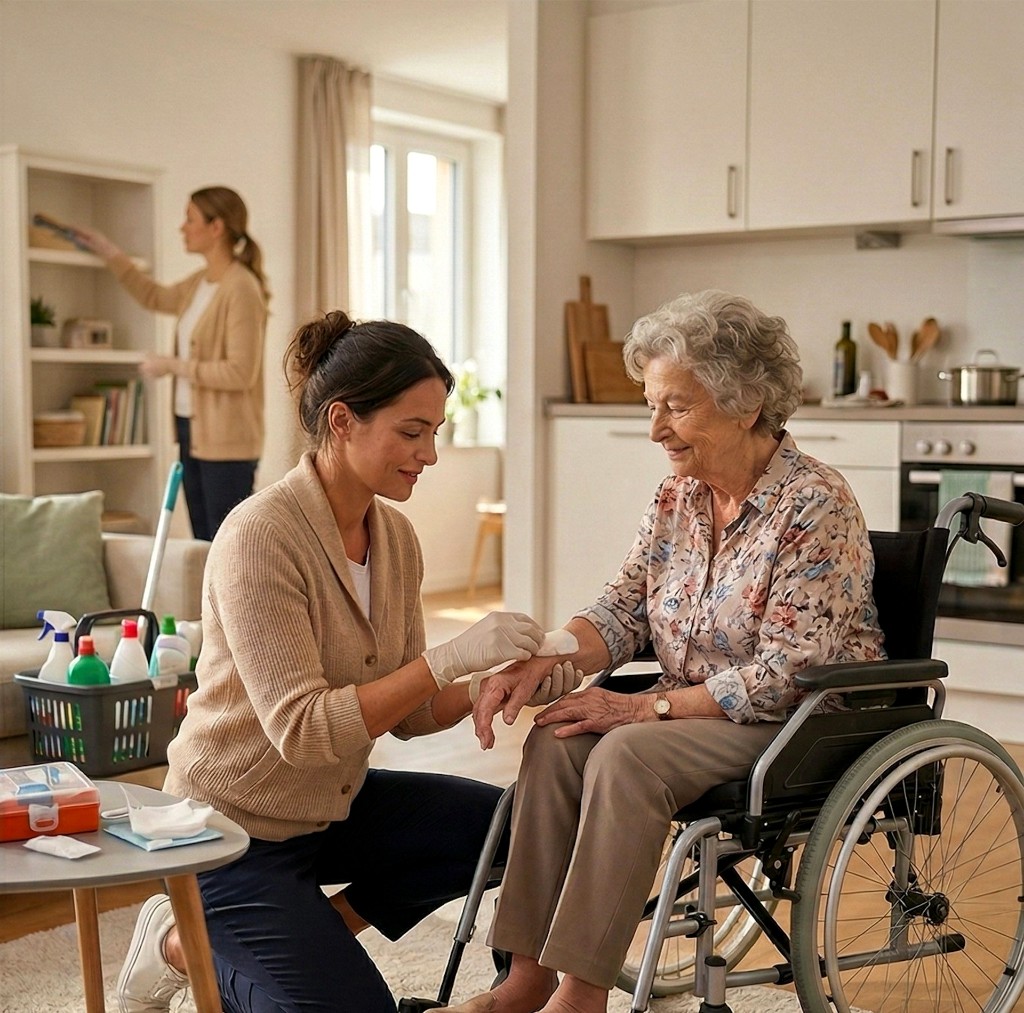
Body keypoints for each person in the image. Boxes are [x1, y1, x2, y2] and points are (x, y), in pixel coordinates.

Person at [113, 310, 579, 1013]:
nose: (429, 455)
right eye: (411, 432)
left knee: (516, 827)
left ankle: (327, 942)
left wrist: (496, 684)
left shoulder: (395, 539)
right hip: (228, 830)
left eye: (434, 432)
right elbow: (303, 730)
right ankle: (181, 945)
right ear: (341, 421)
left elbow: (411, 715)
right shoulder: (260, 535)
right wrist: (450, 656)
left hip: (329, 807)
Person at [453, 290, 887, 1013]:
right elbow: (623, 608)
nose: (656, 428)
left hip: (794, 724)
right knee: (559, 735)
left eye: (676, 407)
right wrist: (548, 656)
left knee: (626, 754)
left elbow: (789, 674)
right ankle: (525, 979)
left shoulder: (816, 504)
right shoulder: (677, 497)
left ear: (746, 405)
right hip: (692, 711)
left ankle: (581, 994)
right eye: (652, 405)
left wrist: (642, 709)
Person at [73, 187, 269, 540]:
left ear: (216, 227)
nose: (182, 227)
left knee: (226, 545)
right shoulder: (200, 283)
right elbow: (154, 295)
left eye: (190, 219)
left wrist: (173, 365)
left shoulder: (241, 288)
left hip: (227, 440)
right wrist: (109, 252)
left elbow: (240, 373)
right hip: (189, 430)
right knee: (202, 542)